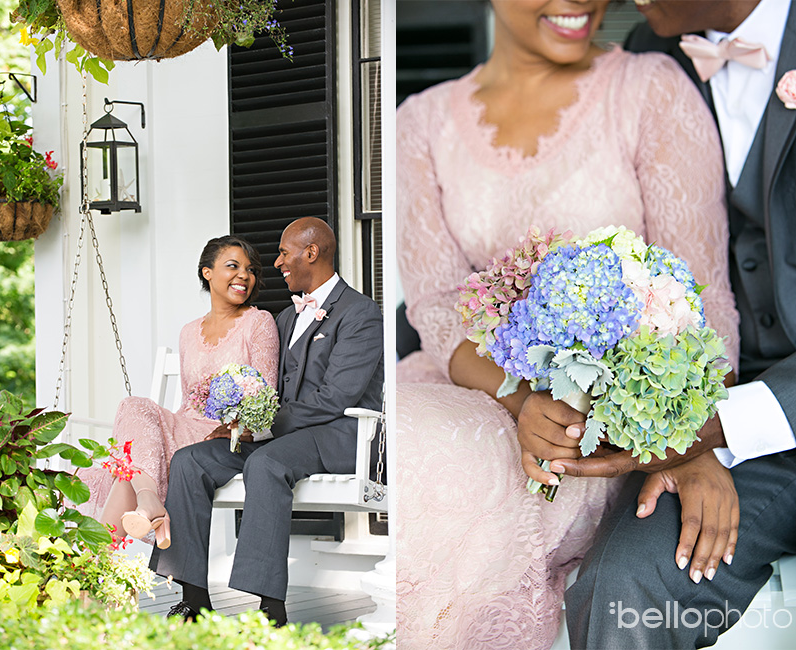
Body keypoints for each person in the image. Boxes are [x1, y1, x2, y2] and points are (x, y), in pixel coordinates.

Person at [395, 0, 741, 647]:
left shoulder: (652, 91)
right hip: (470, 384)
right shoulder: (419, 124)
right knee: (399, 446)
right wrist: (521, 397)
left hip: (601, 427)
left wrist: (689, 440)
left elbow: (707, 304)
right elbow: (438, 309)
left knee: (434, 474)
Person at [561, 0, 796, 646]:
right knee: (622, 586)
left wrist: (713, 428)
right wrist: (682, 427)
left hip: (749, 414)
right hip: (717, 419)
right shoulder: (650, 58)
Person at [149, 217, 384, 626]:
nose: (277, 263)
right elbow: (265, 386)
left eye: (284, 253)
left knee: (266, 463)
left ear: (311, 253)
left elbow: (337, 396)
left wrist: (267, 423)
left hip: (339, 434)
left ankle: (269, 610)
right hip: (278, 436)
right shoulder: (286, 320)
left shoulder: (360, 313)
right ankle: (194, 598)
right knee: (189, 460)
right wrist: (239, 415)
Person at [78, 235, 279, 548]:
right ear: (207, 272)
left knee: (127, 469)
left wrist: (235, 427)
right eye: (233, 266)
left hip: (225, 438)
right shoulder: (188, 332)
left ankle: (96, 574)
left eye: (250, 270)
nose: (244, 275)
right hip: (184, 426)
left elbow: (267, 397)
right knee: (133, 406)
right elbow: (188, 403)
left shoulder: (259, 322)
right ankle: (147, 500)